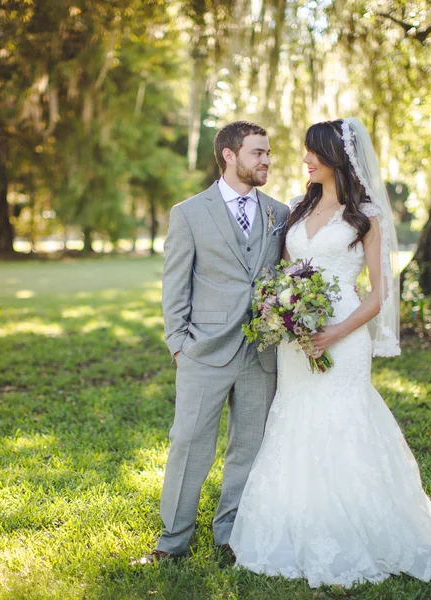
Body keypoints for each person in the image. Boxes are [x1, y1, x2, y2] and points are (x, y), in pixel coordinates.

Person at [228, 118, 431, 587]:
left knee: (341, 419)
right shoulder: (298, 208)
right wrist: (282, 310)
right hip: (296, 336)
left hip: (344, 333)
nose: (305, 159)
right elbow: (284, 270)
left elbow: (380, 294)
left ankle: (359, 528)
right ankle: (294, 522)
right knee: (295, 417)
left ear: (336, 158)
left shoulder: (365, 215)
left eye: (313, 152)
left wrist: (334, 333)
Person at [140, 121, 291, 564]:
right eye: (257, 153)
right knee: (189, 444)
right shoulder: (188, 213)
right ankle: (172, 541)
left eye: (267, 153)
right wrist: (178, 344)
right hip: (203, 350)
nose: (266, 160)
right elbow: (175, 283)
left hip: (260, 352)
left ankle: (231, 533)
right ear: (229, 155)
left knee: (248, 446)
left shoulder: (279, 213)